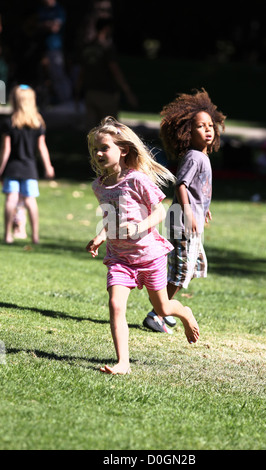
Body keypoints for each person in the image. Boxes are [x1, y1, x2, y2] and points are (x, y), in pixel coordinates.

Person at [86, 116, 200, 375]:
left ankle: (184, 313)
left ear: (123, 149)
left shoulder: (137, 180)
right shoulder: (99, 186)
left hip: (149, 256)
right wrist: (101, 236)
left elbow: (159, 211)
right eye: (96, 149)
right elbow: (111, 218)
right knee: (115, 305)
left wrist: (138, 228)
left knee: (162, 308)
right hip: (120, 259)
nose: (99, 153)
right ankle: (123, 363)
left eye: (105, 147)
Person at [143, 89, 226, 333]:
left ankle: (163, 310)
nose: (208, 130)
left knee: (188, 268)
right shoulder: (193, 157)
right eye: (201, 126)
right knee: (180, 271)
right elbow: (181, 184)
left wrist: (204, 209)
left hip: (191, 219)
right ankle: (157, 313)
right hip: (182, 221)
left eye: (210, 125)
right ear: (187, 132)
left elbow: (198, 190)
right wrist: (189, 212)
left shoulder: (203, 156)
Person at [0, 84, 55, 244]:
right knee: (30, 201)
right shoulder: (37, 123)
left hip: (12, 168)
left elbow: (6, 150)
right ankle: (35, 236)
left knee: (11, 199)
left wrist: (1, 169)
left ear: (15, 100)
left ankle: (8, 235)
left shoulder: (9, 123)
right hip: (30, 168)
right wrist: (48, 166)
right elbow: (42, 147)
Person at [77, 17, 137, 131]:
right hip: (107, 93)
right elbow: (115, 71)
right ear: (106, 28)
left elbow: (82, 71)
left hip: (90, 92)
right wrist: (128, 92)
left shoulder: (87, 47)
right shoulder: (107, 48)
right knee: (110, 130)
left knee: (92, 131)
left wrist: (78, 91)